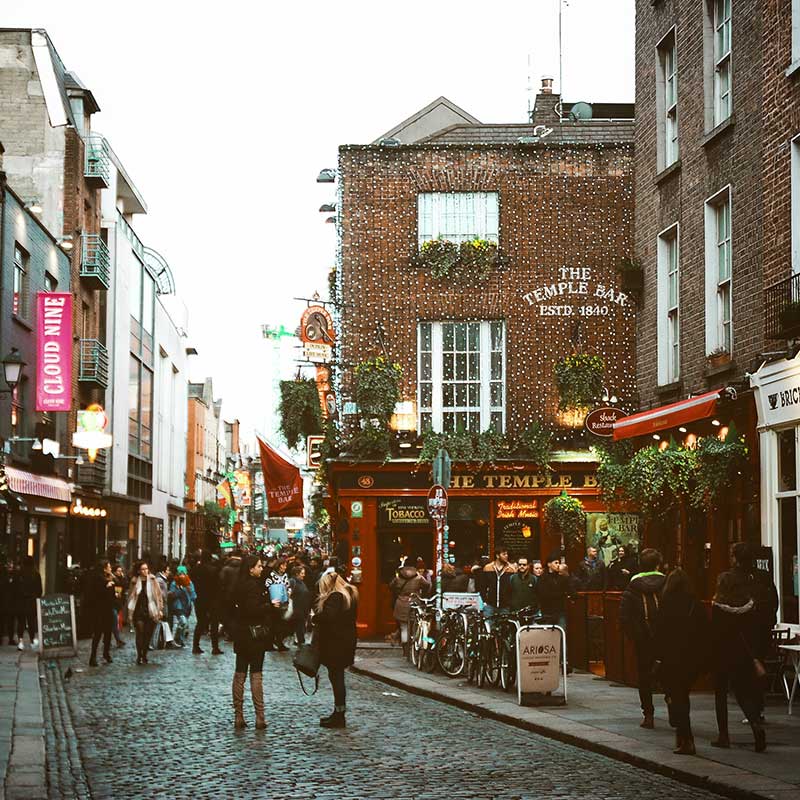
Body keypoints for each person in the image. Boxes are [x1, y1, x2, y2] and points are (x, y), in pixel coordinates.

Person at [653, 568, 709, 755]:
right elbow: (705, 631)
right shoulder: (696, 604)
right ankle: (682, 734)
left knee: (678, 698)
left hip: (672, 658)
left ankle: (686, 738)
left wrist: (658, 656)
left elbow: (659, 633)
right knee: (682, 695)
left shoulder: (666, 604)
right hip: (692, 658)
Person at [710, 571, 766, 752]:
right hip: (742, 655)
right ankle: (756, 725)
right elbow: (753, 632)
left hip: (722, 654)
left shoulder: (718, 606)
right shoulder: (749, 605)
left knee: (720, 695)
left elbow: (715, 632)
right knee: (743, 694)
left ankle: (723, 735)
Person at [727, 542, 778, 724]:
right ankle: (757, 708)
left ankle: (752, 710)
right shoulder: (764, 576)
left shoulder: (733, 578)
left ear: (736, 559)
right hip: (762, 630)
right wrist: (769, 623)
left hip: (742, 632)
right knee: (757, 666)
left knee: (742, 672)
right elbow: (774, 601)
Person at [620, 548, 666, 729]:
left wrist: (634, 636)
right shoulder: (667, 583)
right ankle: (673, 707)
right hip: (665, 637)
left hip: (643, 638)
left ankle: (648, 714)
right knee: (669, 673)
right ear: (657, 564)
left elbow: (624, 616)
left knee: (644, 676)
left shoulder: (633, 586)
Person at [314, 569, 358, 729]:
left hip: (335, 643)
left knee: (336, 678)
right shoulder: (350, 594)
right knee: (337, 677)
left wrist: (315, 617)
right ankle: (338, 712)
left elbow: (328, 617)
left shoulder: (335, 597)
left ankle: (339, 715)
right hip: (346, 641)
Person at [231, 555, 270, 729]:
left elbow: (229, 606)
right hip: (255, 635)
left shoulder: (237, 585)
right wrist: (270, 606)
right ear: (250, 569)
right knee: (256, 674)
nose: (261, 569)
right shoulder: (254, 587)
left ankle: (238, 716)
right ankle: (259, 716)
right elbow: (254, 610)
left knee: (239, 674)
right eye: (259, 566)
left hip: (240, 634)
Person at [390, 558, 430, 656]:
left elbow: (391, 586)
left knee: (404, 627)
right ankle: (414, 648)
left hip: (401, 603)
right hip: (414, 603)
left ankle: (405, 650)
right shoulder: (419, 578)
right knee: (414, 626)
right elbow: (427, 585)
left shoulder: (398, 577)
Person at [127, 561, 163, 665]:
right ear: (138, 571)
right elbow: (130, 596)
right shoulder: (134, 581)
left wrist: (160, 609)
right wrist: (129, 611)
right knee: (140, 632)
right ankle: (139, 655)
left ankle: (145, 654)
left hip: (150, 609)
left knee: (148, 634)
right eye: (142, 569)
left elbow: (158, 595)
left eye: (146, 569)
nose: (145, 571)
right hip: (138, 610)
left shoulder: (152, 580)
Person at [191, 550, 224, 655]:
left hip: (200, 599)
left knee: (200, 623)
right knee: (214, 623)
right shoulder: (214, 570)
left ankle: (195, 646)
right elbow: (219, 585)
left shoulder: (195, 569)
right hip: (213, 599)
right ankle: (215, 647)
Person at [87, 560, 116, 667]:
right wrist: (106, 586)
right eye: (109, 567)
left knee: (108, 633)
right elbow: (94, 594)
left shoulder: (109, 577)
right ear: (104, 568)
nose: (110, 569)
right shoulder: (98, 579)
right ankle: (93, 656)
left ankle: (106, 653)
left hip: (108, 609)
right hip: (99, 610)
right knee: (98, 633)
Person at [537, 552, 572, 632]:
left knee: (561, 634)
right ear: (549, 564)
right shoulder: (543, 578)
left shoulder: (562, 578)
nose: (558, 565)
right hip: (547, 612)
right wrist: (561, 594)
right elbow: (543, 594)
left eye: (559, 563)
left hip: (560, 611)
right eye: (556, 563)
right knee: (548, 637)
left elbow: (570, 590)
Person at [479, 547, 516, 619]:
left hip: (505, 606)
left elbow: (514, 587)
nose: (506, 556)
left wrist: (510, 602)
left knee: (504, 627)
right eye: (504, 554)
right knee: (489, 627)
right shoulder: (488, 567)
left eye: (507, 554)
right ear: (497, 556)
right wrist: (484, 601)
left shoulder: (511, 569)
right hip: (490, 605)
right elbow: (482, 586)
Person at [265, 558, 291, 652]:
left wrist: (288, 592)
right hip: (274, 602)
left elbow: (288, 586)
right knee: (273, 623)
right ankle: (269, 643)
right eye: (283, 565)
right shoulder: (271, 575)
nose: (284, 567)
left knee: (281, 623)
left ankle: (279, 642)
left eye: (285, 565)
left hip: (283, 602)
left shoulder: (285, 575)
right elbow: (267, 585)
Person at [16, 556, 42, 651]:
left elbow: (16, 589)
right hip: (31, 602)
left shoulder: (19, 574)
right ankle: (32, 641)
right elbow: (39, 590)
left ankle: (20, 642)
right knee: (31, 622)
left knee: (21, 623)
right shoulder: (36, 574)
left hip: (21, 602)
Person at [170, 567, 196, 649]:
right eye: (180, 574)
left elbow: (193, 596)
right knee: (183, 622)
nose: (182, 576)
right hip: (179, 606)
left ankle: (180, 640)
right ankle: (177, 639)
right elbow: (173, 595)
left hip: (187, 607)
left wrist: (189, 590)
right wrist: (179, 589)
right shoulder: (174, 584)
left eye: (183, 574)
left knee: (184, 624)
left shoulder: (189, 583)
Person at [219, 550, 243, 640]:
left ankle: (230, 633)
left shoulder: (226, 568)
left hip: (227, 596)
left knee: (228, 615)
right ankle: (237, 632)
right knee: (237, 615)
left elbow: (221, 581)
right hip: (239, 595)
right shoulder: (242, 568)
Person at [290, 564, 312, 646]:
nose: (304, 575)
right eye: (302, 573)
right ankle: (300, 642)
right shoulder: (292, 581)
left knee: (301, 626)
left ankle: (300, 641)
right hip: (297, 609)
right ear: (297, 574)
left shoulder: (301, 582)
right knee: (299, 626)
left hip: (302, 609)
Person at [111, 565, 127, 648]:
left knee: (113, 622)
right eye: (118, 571)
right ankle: (118, 640)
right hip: (112, 603)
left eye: (121, 571)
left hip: (118, 603)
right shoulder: (113, 579)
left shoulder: (121, 579)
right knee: (114, 622)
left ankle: (110, 640)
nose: (120, 573)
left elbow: (124, 586)